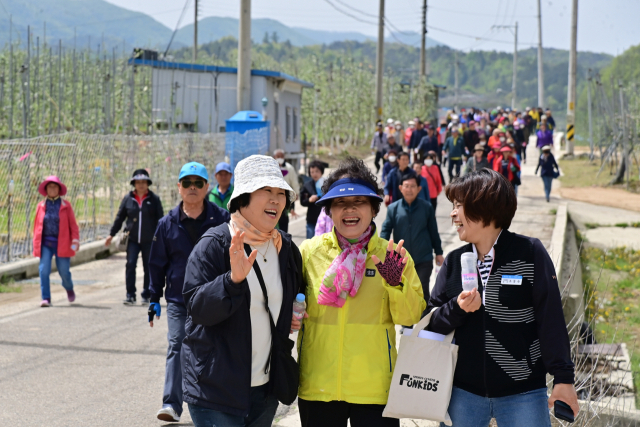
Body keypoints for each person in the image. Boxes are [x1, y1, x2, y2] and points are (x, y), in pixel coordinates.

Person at [426, 169, 578, 427]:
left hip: (524, 394)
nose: (453, 214)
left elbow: (550, 318)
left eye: (459, 206)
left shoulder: (530, 253)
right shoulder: (453, 262)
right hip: (462, 393)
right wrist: (457, 308)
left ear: (485, 207)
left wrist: (563, 378)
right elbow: (429, 323)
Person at [296, 157, 425, 427]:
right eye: (340, 203)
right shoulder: (310, 252)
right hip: (320, 385)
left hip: (374, 389)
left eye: (359, 202)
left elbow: (411, 315)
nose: (349, 210)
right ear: (329, 210)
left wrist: (394, 283)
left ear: (374, 208)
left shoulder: (393, 257)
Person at [181, 155, 302, 426]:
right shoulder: (214, 245)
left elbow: (295, 296)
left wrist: (294, 314)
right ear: (243, 197)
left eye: (281, 192)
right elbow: (197, 309)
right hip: (216, 391)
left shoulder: (286, 249)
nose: (276, 199)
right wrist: (231, 281)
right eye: (267, 191)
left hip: (266, 388)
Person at [148, 162, 230, 423]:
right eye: (187, 183)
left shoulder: (222, 220)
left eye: (198, 183)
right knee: (177, 345)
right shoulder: (166, 224)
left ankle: (215, 403)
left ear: (207, 187)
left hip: (213, 297)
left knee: (216, 348)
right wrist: (153, 298)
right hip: (178, 299)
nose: (192, 188)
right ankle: (171, 404)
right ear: (179, 188)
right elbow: (157, 263)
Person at [381, 175, 443, 303]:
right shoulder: (393, 208)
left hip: (423, 258)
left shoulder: (427, 207)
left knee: (422, 290)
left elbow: (433, 231)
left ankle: (424, 322)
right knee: (404, 291)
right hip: (401, 260)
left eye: (413, 186)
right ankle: (407, 323)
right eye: (406, 186)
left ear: (419, 188)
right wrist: (382, 251)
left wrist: (439, 252)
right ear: (400, 188)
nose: (409, 190)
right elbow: (386, 230)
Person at [106, 169, 164, 305]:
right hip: (132, 240)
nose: (141, 185)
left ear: (148, 183)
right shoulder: (128, 199)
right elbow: (120, 217)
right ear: (134, 183)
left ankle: (146, 294)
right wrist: (111, 234)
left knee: (148, 267)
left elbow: (160, 219)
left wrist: (162, 237)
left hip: (150, 240)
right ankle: (130, 294)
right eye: (138, 182)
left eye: (144, 182)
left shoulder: (154, 199)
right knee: (130, 265)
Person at [32, 176, 79, 307]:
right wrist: (35, 243)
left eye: (55, 187)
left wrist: (75, 240)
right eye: (50, 187)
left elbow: (73, 225)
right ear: (46, 189)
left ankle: (69, 288)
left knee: (64, 271)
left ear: (59, 189)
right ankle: (46, 298)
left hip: (62, 242)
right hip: (45, 243)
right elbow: (37, 226)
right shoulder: (40, 206)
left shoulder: (66, 206)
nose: (52, 189)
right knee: (43, 270)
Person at [274, 149, 300, 232]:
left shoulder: (289, 168)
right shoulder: (271, 168)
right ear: (274, 157)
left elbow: (294, 182)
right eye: (278, 156)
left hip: (285, 199)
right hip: (273, 198)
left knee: (283, 221)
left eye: (281, 156)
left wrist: (296, 193)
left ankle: (283, 241)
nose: (280, 158)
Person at [300, 160, 326, 239]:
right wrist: (309, 200)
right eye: (312, 172)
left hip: (325, 220)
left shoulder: (327, 184)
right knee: (310, 244)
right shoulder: (307, 185)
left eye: (317, 171)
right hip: (312, 220)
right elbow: (302, 201)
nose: (314, 174)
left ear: (321, 171)